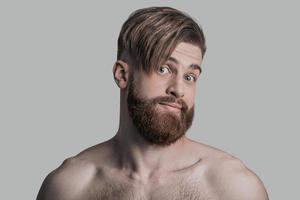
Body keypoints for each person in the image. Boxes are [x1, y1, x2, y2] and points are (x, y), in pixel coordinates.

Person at [37, 6, 268, 200]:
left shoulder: (233, 187)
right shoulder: (69, 188)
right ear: (122, 74)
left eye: (190, 77)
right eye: (164, 68)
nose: (178, 89)